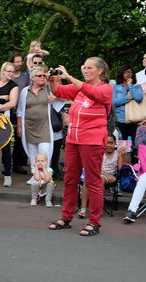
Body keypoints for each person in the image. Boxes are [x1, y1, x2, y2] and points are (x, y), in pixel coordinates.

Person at [48, 57, 113, 237]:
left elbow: (92, 92)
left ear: (100, 71)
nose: (85, 70)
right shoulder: (80, 88)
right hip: (74, 139)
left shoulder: (105, 88)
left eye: (89, 68)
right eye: (83, 67)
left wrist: (69, 76)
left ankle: (94, 222)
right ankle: (66, 217)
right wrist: (52, 78)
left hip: (92, 140)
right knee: (70, 179)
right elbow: (57, 91)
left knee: (92, 181)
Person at [16, 65, 54, 184]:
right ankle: (35, 175)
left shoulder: (49, 89)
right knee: (32, 153)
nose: (43, 77)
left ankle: (45, 177)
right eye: (39, 76)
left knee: (44, 152)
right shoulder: (25, 91)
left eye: (44, 75)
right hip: (29, 126)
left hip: (45, 126)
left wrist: (55, 96)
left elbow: (63, 96)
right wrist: (20, 127)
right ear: (32, 78)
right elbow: (20, 110)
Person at [78, 135, 125, 218]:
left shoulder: (118, 154)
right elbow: (94, 166)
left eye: (111, 143)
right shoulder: (99, 152)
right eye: (106, 143)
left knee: (100, 179)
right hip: (97, 173)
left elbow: (120, 169)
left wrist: (122, 156)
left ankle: (98, 208)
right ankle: (83, 209)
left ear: (115, 144)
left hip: (110, 177)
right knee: (87, 179)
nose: (108, 145)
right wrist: (102, 173)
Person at [113, 64, 143, 155]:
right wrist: (128, 98)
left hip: (135, 119)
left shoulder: (137, 86)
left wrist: (130, 86)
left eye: (130, 72)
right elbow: (114, 102)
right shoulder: (116, 87)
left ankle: (135, 165)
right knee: (123, 145)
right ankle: (125, 165)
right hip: (121, 120)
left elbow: (138, 98)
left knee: (135, 144)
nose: (128, 74)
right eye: (125, 72)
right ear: (121, 73)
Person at [9, 52, 30, 175]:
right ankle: (7, 163)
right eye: (16, 61)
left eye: (20, 61)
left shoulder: (24, 77)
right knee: (6, 137)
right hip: (8, 110)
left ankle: (18, 164)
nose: (19, 63)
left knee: (20, 137)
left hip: (21, 111)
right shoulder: (8, 76)